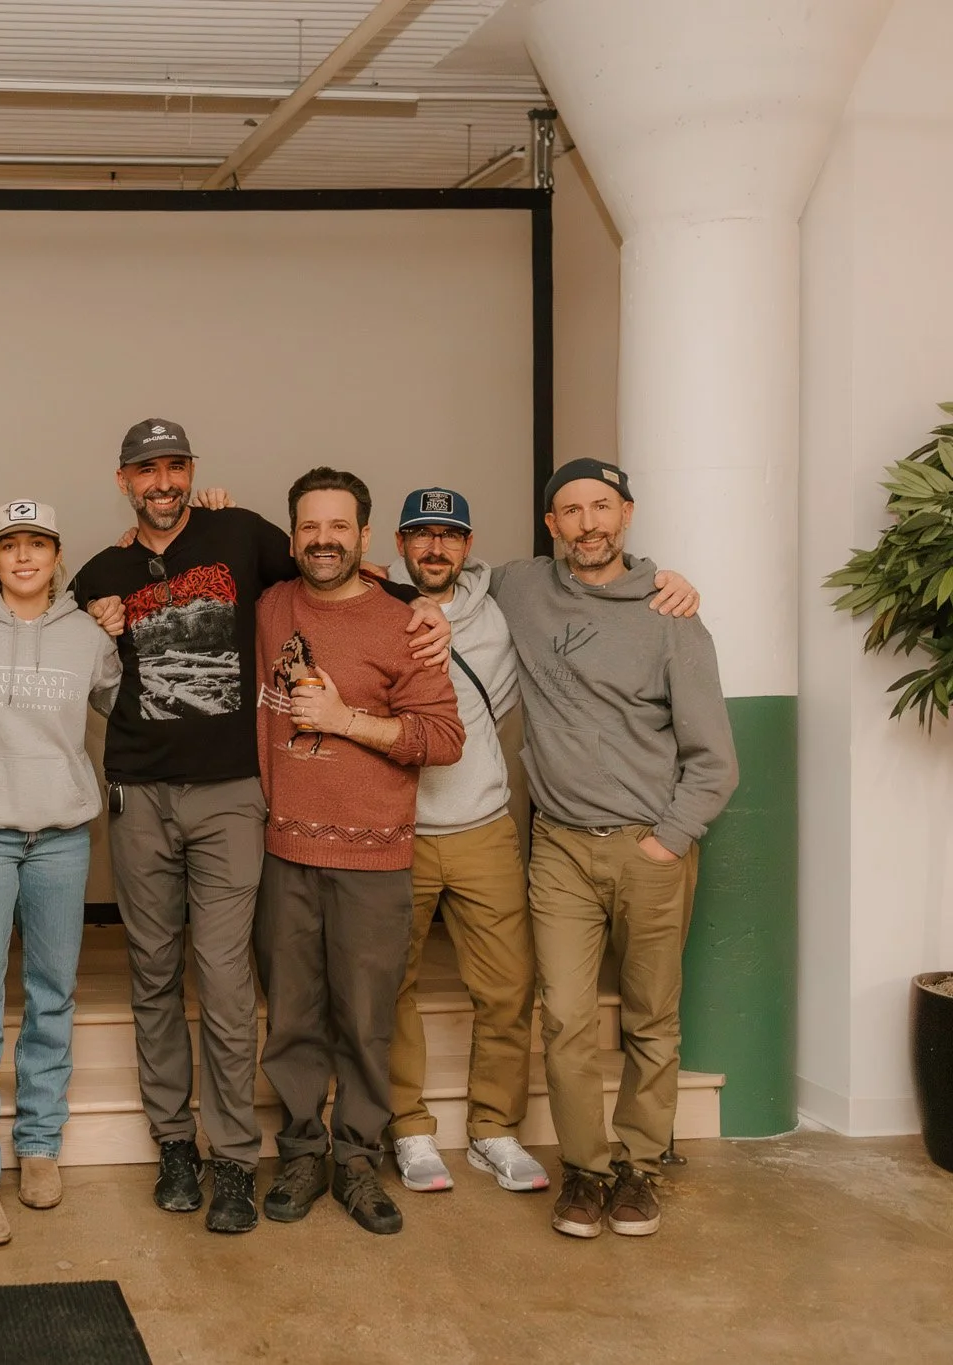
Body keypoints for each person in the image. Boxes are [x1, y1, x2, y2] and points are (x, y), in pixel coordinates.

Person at [73, 419, 450, 1235]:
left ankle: (238, 1157)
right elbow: (70, 652)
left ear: (193, 471)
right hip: (138, 793)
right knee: (151, 973)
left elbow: (340, 575)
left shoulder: (242, 535)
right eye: (147, 471)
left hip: (233, 796)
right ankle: (176, 1142)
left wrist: (425, 607)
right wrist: (98, 614)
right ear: (123, 480)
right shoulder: (97, 572)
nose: (163, 482)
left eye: (176, 467)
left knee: (228, 977)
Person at [383, 488, 701, 1196]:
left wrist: (665, 577)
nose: (435, 549)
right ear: (398, 544)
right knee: (390, 986)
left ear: (470, 548)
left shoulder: (505, 605)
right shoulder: (376, 608)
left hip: (485, 825)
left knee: (509, 988)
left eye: (450, 536)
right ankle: (408, 1125)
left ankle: (493, 1126)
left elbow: (600, 581)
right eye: (421, 535)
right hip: (396, 829)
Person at [492, 459, 738, 1240]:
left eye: (602, 507)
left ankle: (638, 1164)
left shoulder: (672, 615)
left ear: (627, 514)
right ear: (551, 525)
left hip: (649, 849)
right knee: (564, 1014)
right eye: (571, 510)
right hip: (559, 847)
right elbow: (425, 565)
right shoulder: (521, 588)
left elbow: (714, 758)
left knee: (649, 1019)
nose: (588, 522)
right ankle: (586, 1171)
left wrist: (668, 841)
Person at [253, 468, 466, 1237]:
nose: (323, 540)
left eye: (339, 527)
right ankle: (303, 1150)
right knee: (293, 1018)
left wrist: (346, 719)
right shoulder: (271, 605)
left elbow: (444, 738)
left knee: (367, 1018)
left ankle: (357, 1159)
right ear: (292, 535)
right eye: (310, 526)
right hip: (285, 850)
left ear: (366, 536)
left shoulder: (403, 620)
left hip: (375, 856)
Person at [0, 500, 121, 1246]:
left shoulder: (87, 634)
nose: (22, 556)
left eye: (36, 543)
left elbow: (121, 707)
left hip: (63, 836)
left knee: (53, 995)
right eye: (9, 544)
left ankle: (39, 1145)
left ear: (56, 554)